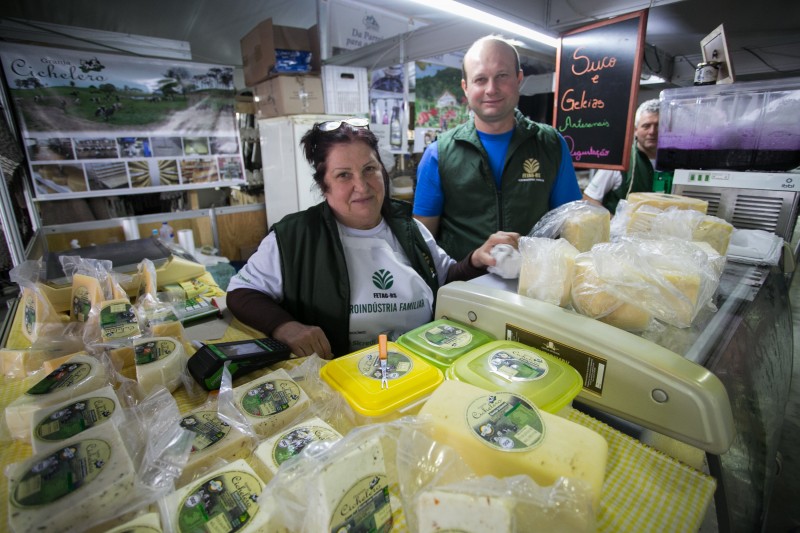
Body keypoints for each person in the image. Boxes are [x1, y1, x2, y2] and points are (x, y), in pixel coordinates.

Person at [226, 118, 519, 359]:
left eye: (369, 169)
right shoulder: (295, 237)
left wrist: (477, 259)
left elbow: (445, 277)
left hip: (418, 371)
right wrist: (285, 327)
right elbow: (241, 292)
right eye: (343, 175)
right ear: (323, 185)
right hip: (342, 383)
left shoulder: (408, 227)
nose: (362, 186)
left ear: (382, 171)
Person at [413, 35, 582, 261]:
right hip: (463, 288)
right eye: (480, 79)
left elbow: (571, 226)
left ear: (518, 78)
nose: (491, 89)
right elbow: (423, 244)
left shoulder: (550, 144)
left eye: (502, 76)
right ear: (465, 87)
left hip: (533, 287)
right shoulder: (438, 154)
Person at [582, 99, 660, 214]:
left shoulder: (674, 163)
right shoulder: (620, 160)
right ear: (635, 130)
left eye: (658, 125)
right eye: (646, 126)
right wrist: (613, 223)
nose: (652, 131)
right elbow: (589, 199)